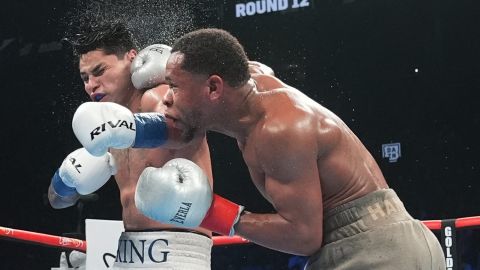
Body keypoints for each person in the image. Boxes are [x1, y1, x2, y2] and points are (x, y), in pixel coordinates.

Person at [70, 28, 446, 269]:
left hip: (373, 250)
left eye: (174, 87)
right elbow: (229, 61)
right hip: (382, 242)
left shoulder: (277, 130)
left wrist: (212, 212)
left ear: (214, 89)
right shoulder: (248, 83)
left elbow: (303, 236)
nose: (165, 99)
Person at [48, 21, 214, 269]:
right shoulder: (106, 126)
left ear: (132, 58)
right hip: (126, 253)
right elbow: (56, 201)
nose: (91, 84)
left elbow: (183, 130)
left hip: (177, 252)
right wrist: (65, 179)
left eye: (100, 70)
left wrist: (126, 129)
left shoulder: (157, 96)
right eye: (85, 77)